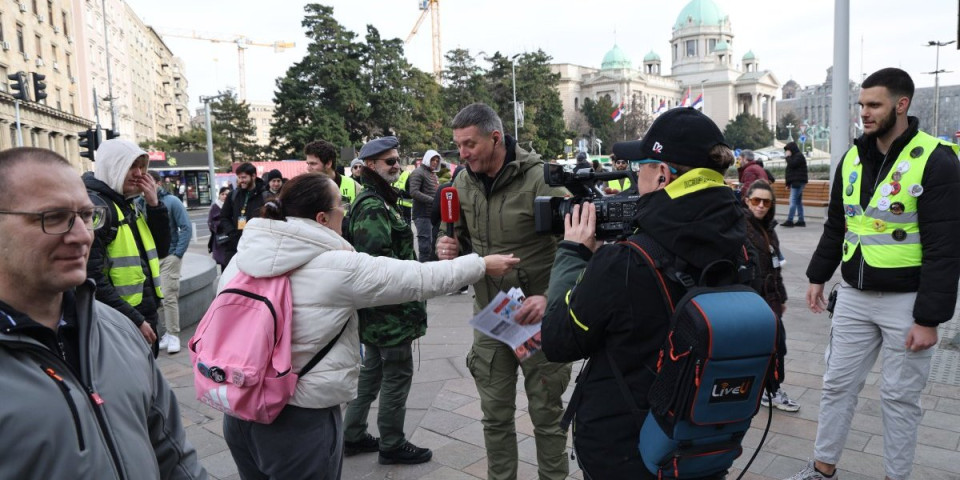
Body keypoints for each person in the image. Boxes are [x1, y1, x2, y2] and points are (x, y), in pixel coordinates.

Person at [221, 172, 519, 479]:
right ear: (322, 218)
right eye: (342, 205)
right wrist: (482, 264)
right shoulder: (337, 266)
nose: (347, 212)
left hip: (237, 407)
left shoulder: (242, 259)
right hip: (297, 418)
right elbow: (419, 278)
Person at [540, 107, 743, 479]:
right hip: (703, 442)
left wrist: (573, 255)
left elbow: (557, 340)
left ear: (662, 175)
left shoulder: (627, 261)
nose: (636, 176)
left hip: (627, 448)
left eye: (641, 167)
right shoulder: (745, 247)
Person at [788, 68, 960, 480]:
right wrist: (816, 276)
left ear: (901, 105)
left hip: (906, 303)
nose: (864, 113)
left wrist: (928, 319)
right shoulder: (851, 158)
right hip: (852, 296)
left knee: (900, 400)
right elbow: (838, 224)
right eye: (861, 104)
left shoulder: (936, 160)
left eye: (874, 105)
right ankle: (821, 468)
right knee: (835, 387)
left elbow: (944, 248)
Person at [0, 147, 206, 480]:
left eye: (86, 215)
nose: (82, 236)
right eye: (53, 217)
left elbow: (173, 455)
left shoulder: (118, 334)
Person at [436, 103, 572, 480]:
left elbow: (579, 245)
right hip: (492, 315)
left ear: (495, 138)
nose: (461, 154)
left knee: (547, 416)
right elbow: (459, 238)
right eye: (458, 146)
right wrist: (447, 248)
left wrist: (551, 297)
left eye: (469, 144)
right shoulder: (462, 182)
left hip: (536, 317)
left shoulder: (542, 180)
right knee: (494, 418)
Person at [342, 136, 434, 465]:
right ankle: (392, 443)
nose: (397, 166)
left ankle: (351, 434)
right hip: (388, 312)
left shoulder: (382, 199)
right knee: (396, 373)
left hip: (385, 310)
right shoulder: (371, 203)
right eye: (389, 162)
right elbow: (376, 265)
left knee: (373, 372)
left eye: (397, 160)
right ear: (370, 166)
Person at [84, 139, 170, 358]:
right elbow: (91, 278)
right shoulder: (98, 208)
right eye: (131, 166)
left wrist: (154, 206)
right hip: (120, 322)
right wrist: (135, 319)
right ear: (113, 167)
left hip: (141, 314)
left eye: (142, 167)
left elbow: (161, 249)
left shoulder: (127, 203)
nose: (139, 174)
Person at [741, 179, 799, 412]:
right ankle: (769, 391)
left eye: (766, 201)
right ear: (747, 201)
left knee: (775, 344)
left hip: (770, 298)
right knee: (773, 345)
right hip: (753, 298)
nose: (761, 205)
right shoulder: (742, 228)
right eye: (756, 200)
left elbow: (774, 267)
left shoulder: (767, 228)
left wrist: (781, 297)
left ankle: (766, 388)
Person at [147, 171, 192, 355]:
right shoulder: (140, 202)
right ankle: (166, 333)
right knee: (158, 298)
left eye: (150, 182)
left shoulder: (172, 201)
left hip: (169, 256)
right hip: (152, 257)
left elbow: (186, 227)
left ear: (158, 183)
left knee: (169, 296)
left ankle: (173, 334)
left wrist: (177, 254)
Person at [218, 162, 267, 266]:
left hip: (257, 246)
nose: (241, 181)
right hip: (235, 246)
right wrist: (232, 233)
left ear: (253, 176)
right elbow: (224, 217)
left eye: (244, 177)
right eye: (239, 178)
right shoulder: (233, 195)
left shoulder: (265, 196)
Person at [305, 140, 360, 208]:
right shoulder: (305, 189)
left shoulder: (355, 187)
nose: (308, 168)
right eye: (308, 164)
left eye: (313, 164)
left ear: (328, 163)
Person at [408, 150, 441, 262]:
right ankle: (422, 273)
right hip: (422, 216)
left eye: (437, 160)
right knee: (425, 248)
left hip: (431, 215)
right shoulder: (418, 172)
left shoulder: (432, 174)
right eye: (433, 159)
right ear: (427, 158)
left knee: (432, 246)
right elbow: (414, 192)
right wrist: (434, 200)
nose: (435, 162)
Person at [782, 141, 809, 227]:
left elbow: (792, 165)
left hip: (798, 182)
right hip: (796, 181)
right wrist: (788, 183)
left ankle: (790, 220)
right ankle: (801, 220)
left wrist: (787, 157)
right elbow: (791, 172)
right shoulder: (795, 156)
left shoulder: (798, 156)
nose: (787, 152)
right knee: (798, 201)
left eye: (788, 150)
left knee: (793, 201)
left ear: (792, 149)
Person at [208, 187, 230, 271]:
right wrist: (220, 224)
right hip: (221, 238)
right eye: (222, 194)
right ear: (219, 195)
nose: (224, 196)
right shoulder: (215, 206)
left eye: (227, 194)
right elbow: (210, 222)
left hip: (231, 237)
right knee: (223, 262)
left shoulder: (232, 204)